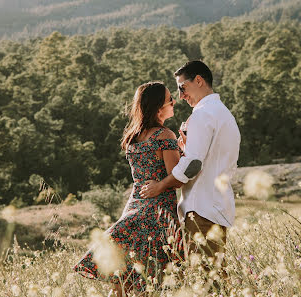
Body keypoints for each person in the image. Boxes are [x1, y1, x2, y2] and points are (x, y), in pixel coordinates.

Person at [74, 81, 183, 296]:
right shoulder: (164, 136)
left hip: (133, 210)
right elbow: (177, 178)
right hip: (157, 215)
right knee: (149, 282)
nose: (174, 102)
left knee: (122, 281)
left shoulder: (133, 138)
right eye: (170, 99)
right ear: (158, 106)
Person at [140, 61, 240, 267]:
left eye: (182, 88)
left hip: (201, 208)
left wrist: (160, 185)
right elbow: (209, 157)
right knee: (213, 274)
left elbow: (193, 165)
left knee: (206, 278)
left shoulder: (202, 115)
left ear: (199, 80)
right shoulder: (222, 113)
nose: (180, 96)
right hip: (217, 204)